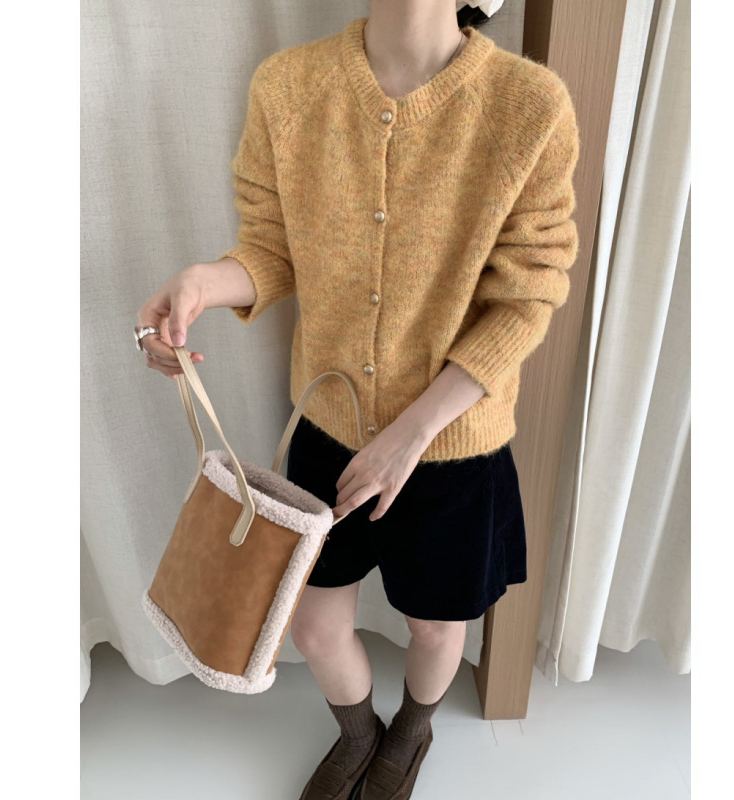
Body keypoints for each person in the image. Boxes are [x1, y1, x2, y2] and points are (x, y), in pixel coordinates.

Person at [135, 1, 579, 798]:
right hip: (329, 428)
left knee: (436, 625)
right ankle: (358, 732)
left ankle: (411, 732)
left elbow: (527, 298)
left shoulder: (529, 105)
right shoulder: (288, 86)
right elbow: (271, 249)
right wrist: (201, 283)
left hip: (454, 439)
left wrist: (412, 433)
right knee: (310, 622)